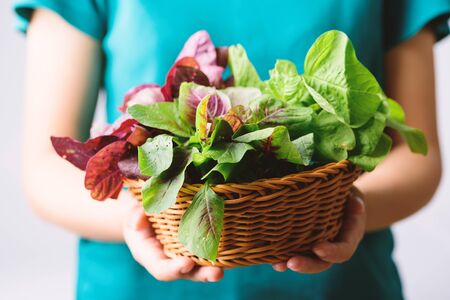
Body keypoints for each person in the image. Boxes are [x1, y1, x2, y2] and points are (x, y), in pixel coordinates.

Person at [14, 0, 449, 299]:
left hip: (340, 288)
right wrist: (148, 220)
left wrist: (339, 210)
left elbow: (417, 155)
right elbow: (45, 169)